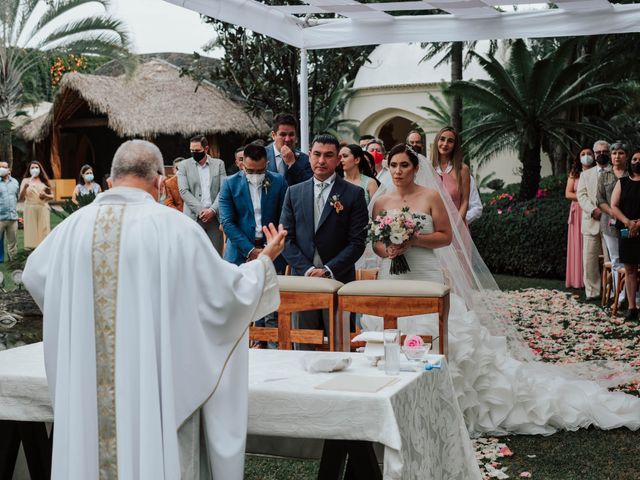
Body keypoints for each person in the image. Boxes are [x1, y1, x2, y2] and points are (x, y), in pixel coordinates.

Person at [23, 139, 287, 480]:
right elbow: (225, 296)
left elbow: (34, 274)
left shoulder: (71, 229)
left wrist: (77, 316)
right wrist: (263, 263)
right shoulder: (174, 228)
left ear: (110, 180)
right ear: (160, 183)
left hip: (90, 385)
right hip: (156, 382)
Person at [363, 144, 640, 436]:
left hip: (425, 277)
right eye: (393, 165)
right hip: (392, 279)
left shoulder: (430, 197)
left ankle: (445, 404)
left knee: (443, 339)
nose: (397, 171)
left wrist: (414, 240)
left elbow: (445, 237)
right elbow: (376, 244)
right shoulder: (381, 202)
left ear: (416, 168)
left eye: (404, 165)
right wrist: (389, 249)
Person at [280, 134, 368, 339]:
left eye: (328, 155)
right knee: (303, 340)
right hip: (303, 279)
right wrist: (308, 269)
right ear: (309, 156)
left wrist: (328, 270)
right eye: (317, 154)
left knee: (339, 341)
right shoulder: (293, 192)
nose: (321, 161)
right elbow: (286, 238)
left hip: (339, 279)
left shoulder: (353, 194)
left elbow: (357, 242)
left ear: (338, 159)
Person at [219, 143, 288, 270]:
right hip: (239, 252)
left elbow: (284, 217)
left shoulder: (279, 181)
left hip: (271, 251)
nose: (255, 175)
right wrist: (250, 250)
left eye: (260, 171)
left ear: (266, 164)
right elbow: (227, 222)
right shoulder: (229, 184)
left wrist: (269, 247)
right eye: (250, 171)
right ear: (242, 165)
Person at [178, 134, 226, 254]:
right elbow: (183, 191)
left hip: (214, 218)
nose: (194, 153)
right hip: (193, 217)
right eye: (192, 150)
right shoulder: (184, 165)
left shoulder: (219, 164)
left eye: (197, 150)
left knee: (215, 254)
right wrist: (201, 210)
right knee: (192, 254)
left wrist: (212, 210)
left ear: (206, 149)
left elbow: (223, 189)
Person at [577, 140, 610, 299]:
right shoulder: (585, 174)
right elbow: (581, 195)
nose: (601, 154)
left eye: (605, 152)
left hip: (611, 224)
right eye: (598, 152)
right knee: (589, 261)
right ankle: (593, 292)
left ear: (608, 153)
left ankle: (611, 292)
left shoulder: (616, 172)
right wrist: (593, 210)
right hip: (591, 222)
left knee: (611, 260)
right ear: (594, 154)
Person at [610, 149, 640, 320]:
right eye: (635, 159)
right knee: (630, 269)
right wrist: (628, 222)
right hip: (626, 231)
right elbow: (614, 205)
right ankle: (632, 308)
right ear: (631, 162)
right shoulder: (622, 182)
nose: (637, 162)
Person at [597, 142, 629, 301]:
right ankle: (620, 296)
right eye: (614, 153)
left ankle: (633, 295)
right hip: (609, 225)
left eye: (621, 153)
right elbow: (600, 199)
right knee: (616, 260)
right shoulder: (604, 175)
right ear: (611, 156)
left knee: (630, 260)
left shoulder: (632, 174)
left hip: (629, 224)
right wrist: (613, 213)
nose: (617, 156)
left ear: (627, 156)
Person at [565, 147, 595, 289]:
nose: (586, 156)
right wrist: (583, 198)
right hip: (578, 211)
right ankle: (577, 280)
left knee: (590, 246)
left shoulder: (597, 172)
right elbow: (568, 193)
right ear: (578, 157)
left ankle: (592, 280)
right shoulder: (575, 173)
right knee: (578, 244)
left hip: (593, 211)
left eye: (589, 153)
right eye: (583, 154)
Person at [431, 126, 471, 223]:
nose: (445, 144)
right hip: (434, 227)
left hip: (457, 225)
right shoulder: (429, 168)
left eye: (450, 141)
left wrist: (456, 225)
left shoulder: (462, 169)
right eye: (442, 139)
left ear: (455, 145)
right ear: (437, 141)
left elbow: (465, 201)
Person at [265, 113, 312, 185]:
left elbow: (308, 186)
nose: (287, 139)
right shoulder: (262, 155)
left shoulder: (304, 160)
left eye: (291, 134)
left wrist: (293, 164)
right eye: (283, 135)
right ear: (274, 135)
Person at [19, 160, 53, 249]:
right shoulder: (25, 180)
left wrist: (45, 195)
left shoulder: (44, 181)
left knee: (43, 230)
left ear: (40, 169)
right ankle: (31, 249)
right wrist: (25, 188)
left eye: (36, 167)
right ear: (29, 170)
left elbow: (52, 196)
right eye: (32, 167)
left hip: (42, 208)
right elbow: (21, 198)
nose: (35, 169)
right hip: (29, 208)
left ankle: (43, 249)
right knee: (31, 230)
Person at [0, 160, 20, 260]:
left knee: (12, 242)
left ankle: (13, 261)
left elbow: (18, 197)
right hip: (0, 218)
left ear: (9, 169)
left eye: (4, 167)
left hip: (12, 217)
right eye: (1, 167)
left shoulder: (15, 182)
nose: (2, 168)